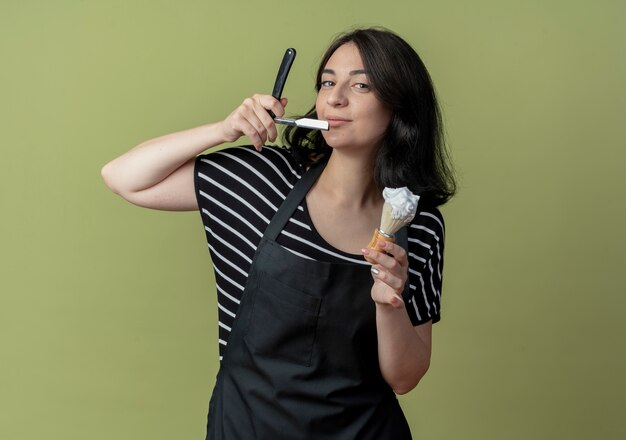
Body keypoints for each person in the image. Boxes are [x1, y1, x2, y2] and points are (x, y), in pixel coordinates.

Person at [102, 27, 455, 440]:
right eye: (327, 82)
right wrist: (223, 130)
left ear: (399, 107)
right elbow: (124, 178)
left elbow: (404, 378)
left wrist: (389, 304)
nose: (335, 98)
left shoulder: (417, 223)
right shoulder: (263, 179)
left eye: (360, 85)